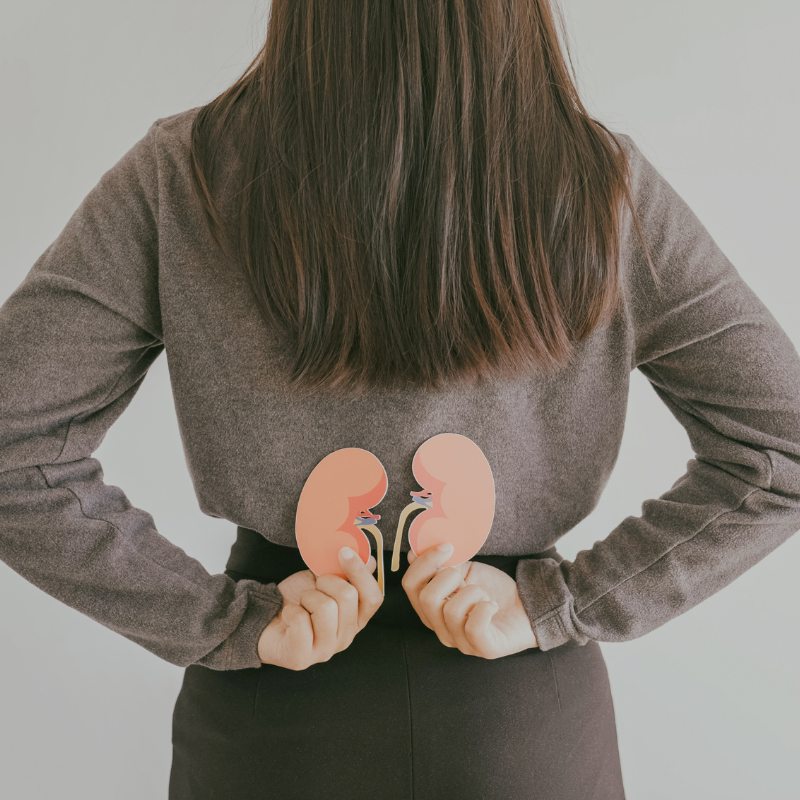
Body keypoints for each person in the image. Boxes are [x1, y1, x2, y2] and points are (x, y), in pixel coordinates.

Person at [2, 1, 799, 798]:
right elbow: (781, 447)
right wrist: (560, 605)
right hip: (524, 725)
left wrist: (222, 621)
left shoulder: (185, 176)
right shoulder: (604, 189)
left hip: (273, 719)